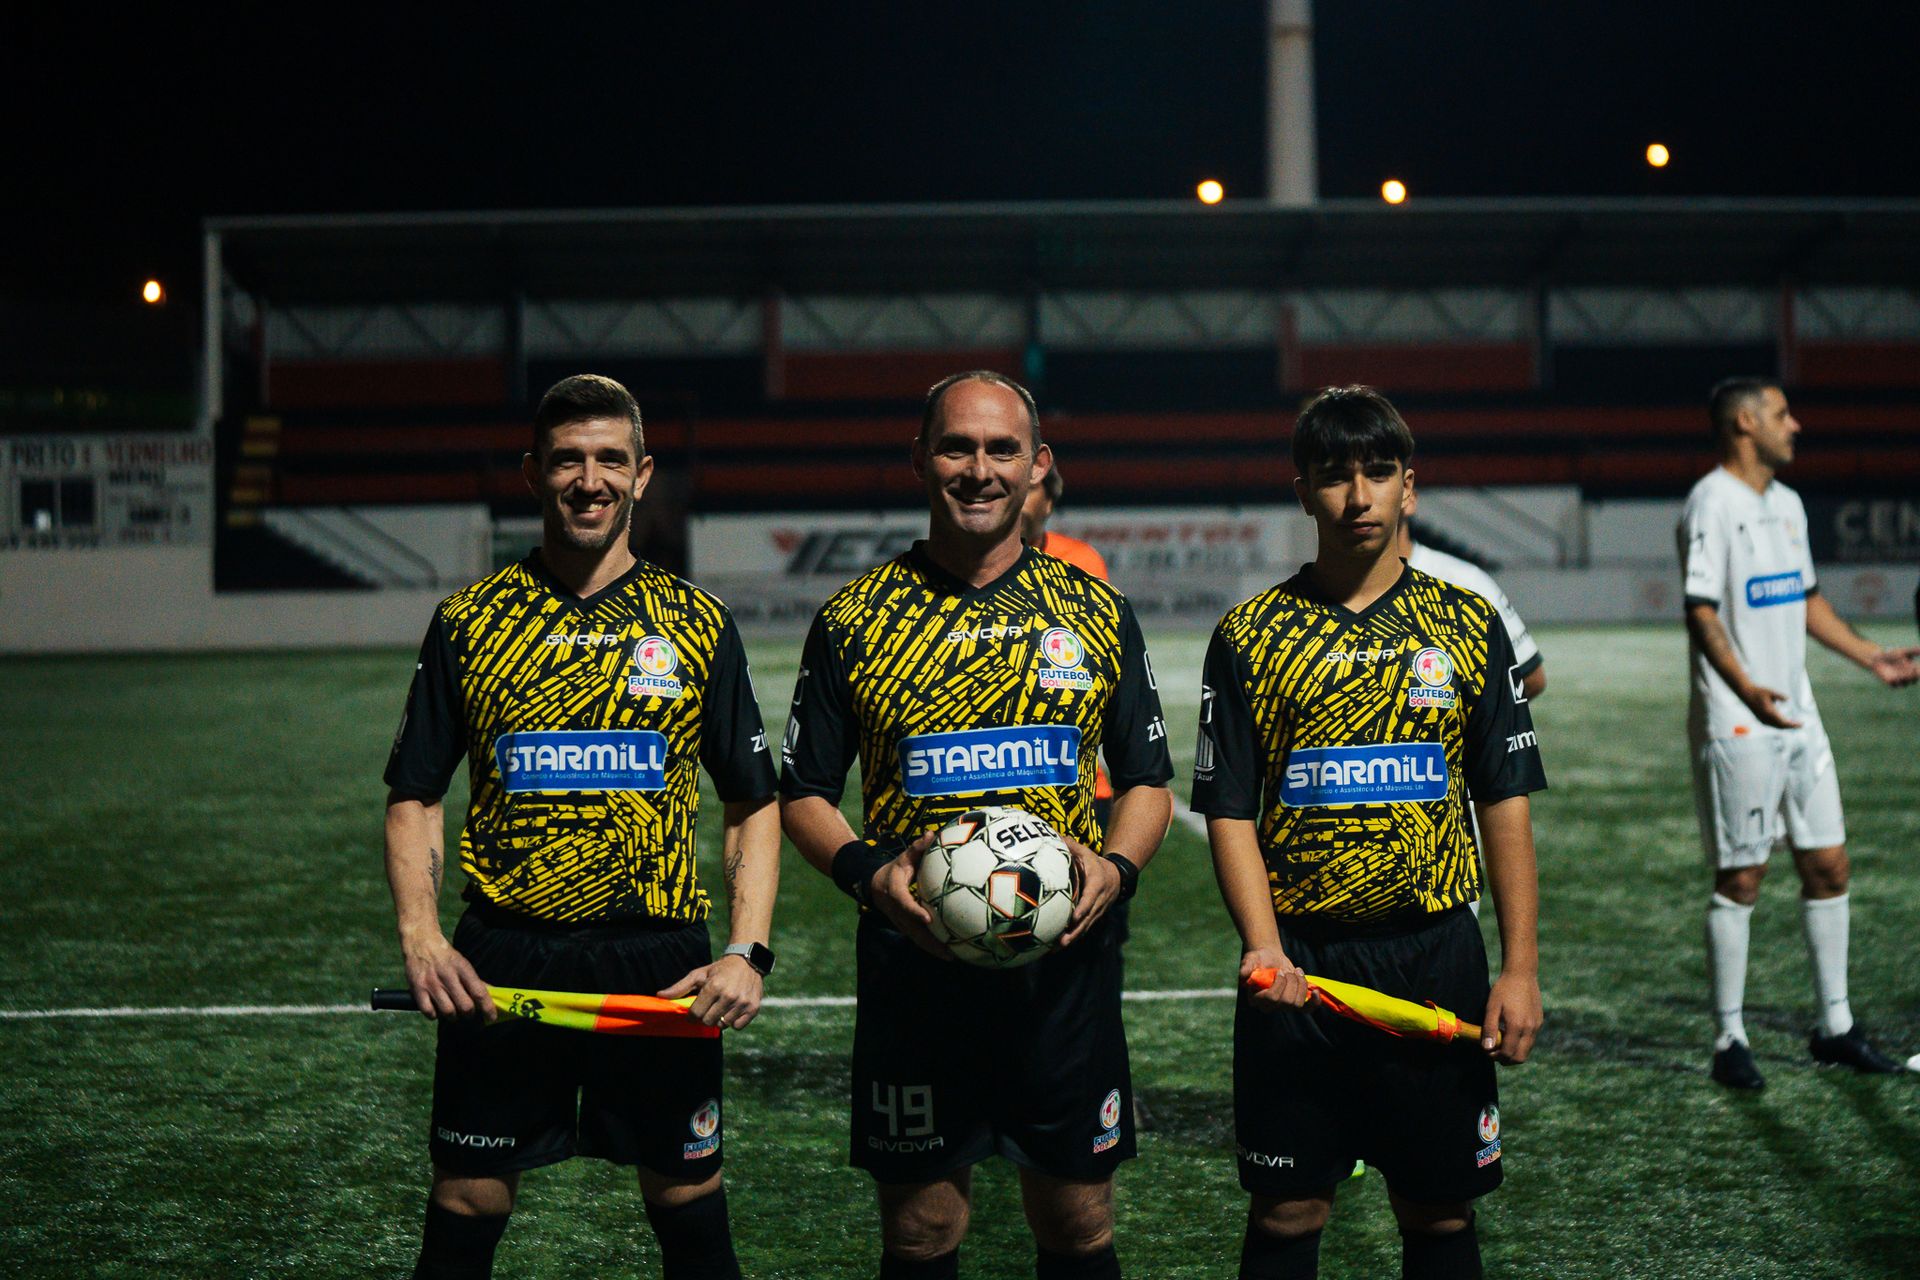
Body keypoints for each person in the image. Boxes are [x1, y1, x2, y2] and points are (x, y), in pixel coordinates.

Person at [383, 374, 781, 1280]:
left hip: (657, 962)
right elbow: (414, 790)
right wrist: (422, 936)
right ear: (533, 473)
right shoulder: (471, 621)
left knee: (686, 1197)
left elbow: (753, 799)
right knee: (467, 1197)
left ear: (643, 477)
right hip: (507, 956)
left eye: (610, 459)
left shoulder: (696, 624)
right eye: (568, 460)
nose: (589, 480)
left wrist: (746, 951)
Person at [780, 370, 1174, 1280]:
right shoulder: (855, 618)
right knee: (922, 1230)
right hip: (913, 975)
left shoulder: (1098, 613)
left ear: (1038, 466)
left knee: (1077, 1222)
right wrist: (866, 874)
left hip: (1064, 975)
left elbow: (1149, 780)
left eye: (1002, 450)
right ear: (921, 459)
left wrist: (1116, 868)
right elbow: (801, 790)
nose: (979, 470)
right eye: (958, 447)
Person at [1192, 385, 1545, 1280]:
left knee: (1437, 1210)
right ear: (1303, 492)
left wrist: (1519, 967)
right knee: (1288, 1208)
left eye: (1378, 473)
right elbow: (1228, 806)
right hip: (1301, 969)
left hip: (1436, 957)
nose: (1358, 496)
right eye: (1335, 476)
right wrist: (1265, 948)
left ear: (1409, 489)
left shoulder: (1467, 626)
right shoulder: (1251, 635)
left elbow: (1505, 797)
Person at [1679, 377, 1918, 1090]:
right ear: (1746, 423)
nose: (1797, 425)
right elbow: (1701, 610)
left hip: (1800, 716)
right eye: (1783, 414)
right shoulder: (1710, 503)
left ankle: (1836, 1028)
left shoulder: (1786, 504)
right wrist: (1747, 685)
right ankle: (1729, 1040)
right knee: (1743, 875)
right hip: (1741, 719)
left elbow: (1806, 597)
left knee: (1829, 866)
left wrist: (1869, 654)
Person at [1021, 459, 1116, 829]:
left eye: (1029, 487)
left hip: (1078, 790)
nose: (1015, 494)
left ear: (1049, 501)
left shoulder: (1080, 562)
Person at [1398, 481, 1546, 702]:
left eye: (1378, 476)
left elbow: (1530, 678)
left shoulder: (1465, 582)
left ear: (1409, 497)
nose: (1361, 498)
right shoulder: (1329, 586)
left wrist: (1463, 725)